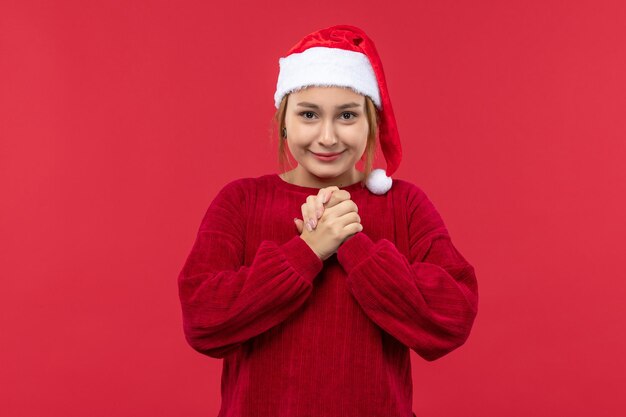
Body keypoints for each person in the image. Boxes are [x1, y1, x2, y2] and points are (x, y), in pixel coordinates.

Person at [177, 24, 479, 417]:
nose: (327, 136)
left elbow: (451, 319)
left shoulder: (405, 205)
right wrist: (307, 252)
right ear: (284, 120)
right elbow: (203, 320)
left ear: (372, 123)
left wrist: (352, 243)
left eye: (348, 115)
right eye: (308, 114)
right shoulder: (241, 201)